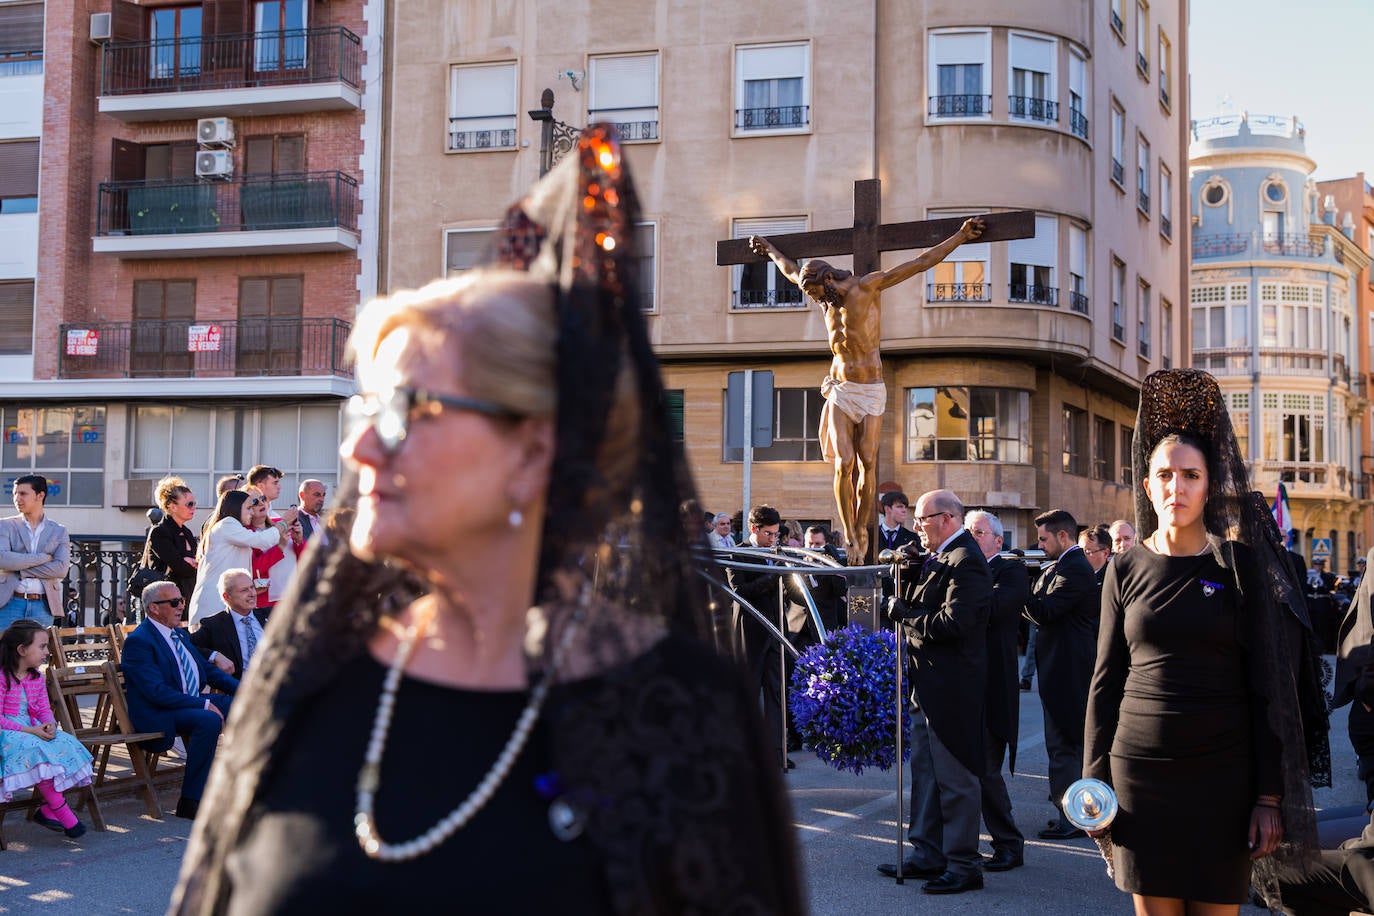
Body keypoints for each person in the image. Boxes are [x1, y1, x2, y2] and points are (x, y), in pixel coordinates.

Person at [170, 126, 802, 914]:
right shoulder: (319, 676)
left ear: (535, 449)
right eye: (365, 406)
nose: (361, 444)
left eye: (406, 409)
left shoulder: (673, 709)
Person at [1085, 367, 1324, 914]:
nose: (1177, 487)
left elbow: (1269, 686)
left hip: (1224, 779)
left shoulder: (1239, 565)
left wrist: (1269, 796)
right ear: (1147, 486)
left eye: (1190, 475)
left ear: (1209, 484)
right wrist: (1092, 781)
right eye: (1165, 475)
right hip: (1139, 777)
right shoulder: (1123, 568)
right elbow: (1105, 682)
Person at [749, 218, 984, 563]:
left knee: (868, 461)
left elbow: (920, 263)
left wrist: (961, 237)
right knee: (843, 464)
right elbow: (789, 269)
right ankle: (851, 532)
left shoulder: (868, 288)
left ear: (828, 279)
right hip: (842, 389)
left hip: (870, 389)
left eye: (815, 292)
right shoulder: (824, 300)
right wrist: (770, 249)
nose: (815, 300)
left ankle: (863, 525)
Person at [878, 488, 991, 894]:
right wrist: (907, 575)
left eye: (922, 519)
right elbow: (925, 604)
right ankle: (928, 851)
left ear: (947, 519)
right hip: (929, 683)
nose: (916, 527)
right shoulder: (941, 557)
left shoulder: (966, 561)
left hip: (952, 687)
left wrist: (904, 615)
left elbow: (952, 623)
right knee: (925, 772)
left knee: (956, 776)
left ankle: (963, 863)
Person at [123, 581, 238, 820]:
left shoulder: (179, 634)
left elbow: (207, 669)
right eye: (174, 602)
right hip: (160, 711)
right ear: (154, 608)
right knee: (207, 720)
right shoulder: (139, 641)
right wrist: (203, 704)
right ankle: (191, 801)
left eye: (182, 601)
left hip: (188, 701)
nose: (181, 607)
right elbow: (156, 692)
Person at [1025, 508, 1097, 840]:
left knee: (1065, 747)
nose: (1039, 545)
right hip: (1060, 670)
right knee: (1062, 747)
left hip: (1069, 672)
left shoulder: (1076, 569)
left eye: (1043, 539)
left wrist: (1017, 588)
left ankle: (1074, 817)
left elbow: (1046, 611)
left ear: (1063, 536)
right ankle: (1070, 813)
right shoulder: (1062, 566)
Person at [966, 509, 1026, 872]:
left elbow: (991, 610)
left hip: (994, 687)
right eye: (968, 533)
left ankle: (1009, 844)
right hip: (963, 687)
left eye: (979, 533)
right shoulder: (960, 569)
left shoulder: (1011, 569)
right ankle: (959, 845)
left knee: (987, 770)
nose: (972, 539)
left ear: (998, 541)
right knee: (963, 772)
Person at [728, 504, 810, 770]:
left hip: (777, 631)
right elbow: (739, 589)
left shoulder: (777, 552)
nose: (773, 539)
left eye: (776, 534)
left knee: (776, 692)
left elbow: (793, 592)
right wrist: (772, 574)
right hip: (749, 631)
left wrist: (808, 583)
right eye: (768, 534)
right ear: (754, 529)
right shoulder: (737, 551)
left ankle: (777, 752)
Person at [0, 619, 93, 838]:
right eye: (42, 646)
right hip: (9, 732)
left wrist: (50, 724)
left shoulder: (37, 678)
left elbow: (43, 708)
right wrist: (32, 731)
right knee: (38, 751)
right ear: (22, 650)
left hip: (33, 728)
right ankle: (64, 815)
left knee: (67, 744)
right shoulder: (2, 677)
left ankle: (48, 809)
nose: (47, 651)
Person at [187, 491, 297, 628]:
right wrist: (284, 522)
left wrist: (254, 586)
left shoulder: (234, 529)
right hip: (213, 609)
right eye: (248, 508)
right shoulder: (227, 524)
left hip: (223, 609)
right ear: (235, 507)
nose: (252, 513)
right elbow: (263, 540)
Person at [0, 475, 70, 627]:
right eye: (15, 494)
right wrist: (42, 558)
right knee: (5, 650)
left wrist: (21, 570)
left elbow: (61, 569)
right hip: (8, 603)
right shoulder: (4, 525)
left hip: (43, 606)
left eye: (23, 494)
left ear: (40, 495)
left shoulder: (59, 531)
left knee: (39, 650)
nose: (17, 499)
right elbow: (3, 559)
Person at [147, 477, 200, 605]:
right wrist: (191, 563)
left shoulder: (187, 532)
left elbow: (196, 565)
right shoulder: (159, 531)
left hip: (188, 595)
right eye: (189, 504)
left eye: (194, 503)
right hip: (166, 599)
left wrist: (190, 562)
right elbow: (179, 567)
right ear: (172, 506)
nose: (193, 508)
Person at [804, 525, 847, 631]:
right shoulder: (794, 565)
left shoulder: (831, 568)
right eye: (810, 543)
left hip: (825, 627)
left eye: (818, 544)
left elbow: (841, 590)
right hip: (799, 630)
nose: (813, 548)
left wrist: (835, 562)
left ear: (826, 544)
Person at [296, 480, 328, 546]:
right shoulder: (294, 521)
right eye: (317, 495)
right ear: (302, 495)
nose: (322, 499)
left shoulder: (326, 522)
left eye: (323, 495)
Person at [1080, 524, 1112, 589]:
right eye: (1079, 551)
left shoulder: (1113, 578)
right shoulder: (1071, 574)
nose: (1081, 556)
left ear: (1105, 553)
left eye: (1087, 552)